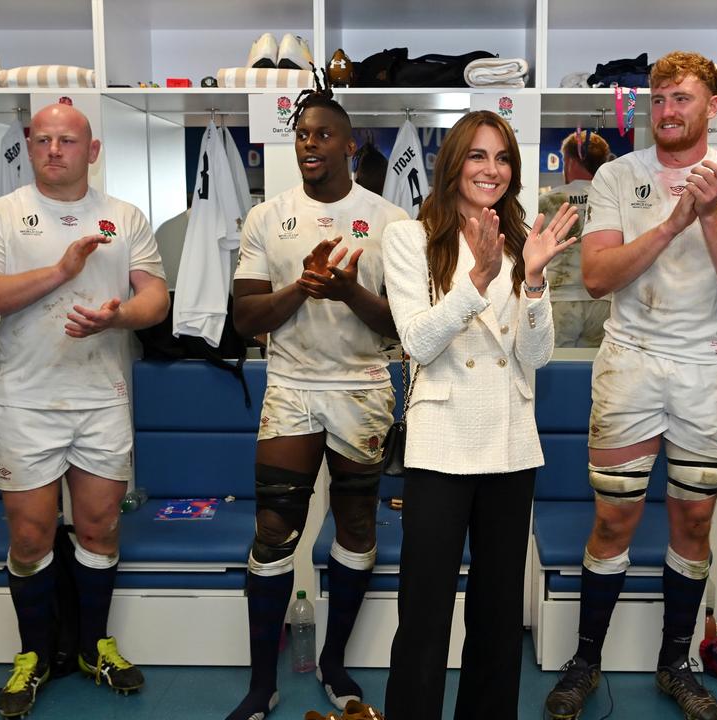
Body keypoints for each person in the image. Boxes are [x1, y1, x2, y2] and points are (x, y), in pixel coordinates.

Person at [543, 50, 717, 720]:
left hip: (709, 368)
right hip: (631, 362)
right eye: (660, 99)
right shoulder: (618, 175)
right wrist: (675, 220)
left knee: (694, 518)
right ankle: (586, 660)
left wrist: (710, 211)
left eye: (682, 99)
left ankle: (676, 663)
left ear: (713, 106)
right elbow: (597, 276)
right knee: (614, 516)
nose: (668, 111)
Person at [0, 104, 169, 718]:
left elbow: (154, 296)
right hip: (26, 399)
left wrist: (120, 315)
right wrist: (60, 272)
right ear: (29, 145)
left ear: (91, 149)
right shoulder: (0, 215)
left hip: (102, 396)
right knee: (29, 534)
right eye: (43, 139)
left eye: (67, 140)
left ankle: (94, 646)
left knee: (101, 527)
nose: (54, 150)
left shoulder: (124, 217)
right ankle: (34, 654)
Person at [381, 110, 579, 719]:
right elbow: (415, 341)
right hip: (441, 442)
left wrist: (536, 281)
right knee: (425, 609)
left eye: (502, 158)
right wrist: (476, 281)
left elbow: (534, 357)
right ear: (453, 164)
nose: (491, 170)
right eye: (477, 156)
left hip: (510, 443)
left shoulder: (525, 241)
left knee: (497, 612)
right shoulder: (409, 238)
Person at [225, 76, 408, 720]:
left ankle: (334, 663)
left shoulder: (390, 222)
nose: (310, 145)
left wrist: (348, 291)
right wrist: (303, 287)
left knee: (357, 525)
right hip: (292, 388)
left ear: (350, 146)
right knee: (274, 529)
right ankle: (261, 682)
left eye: (324, 135)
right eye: (302, 135)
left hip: (362, 387)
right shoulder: (266, 218)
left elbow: (403, 327)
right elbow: (245, 319)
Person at [540, 130, 613, 347]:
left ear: (570, 161)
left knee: (550, 370)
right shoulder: (612, 199)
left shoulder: (547, 201)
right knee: (595, 373)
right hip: (603, 300)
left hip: (559, 299)